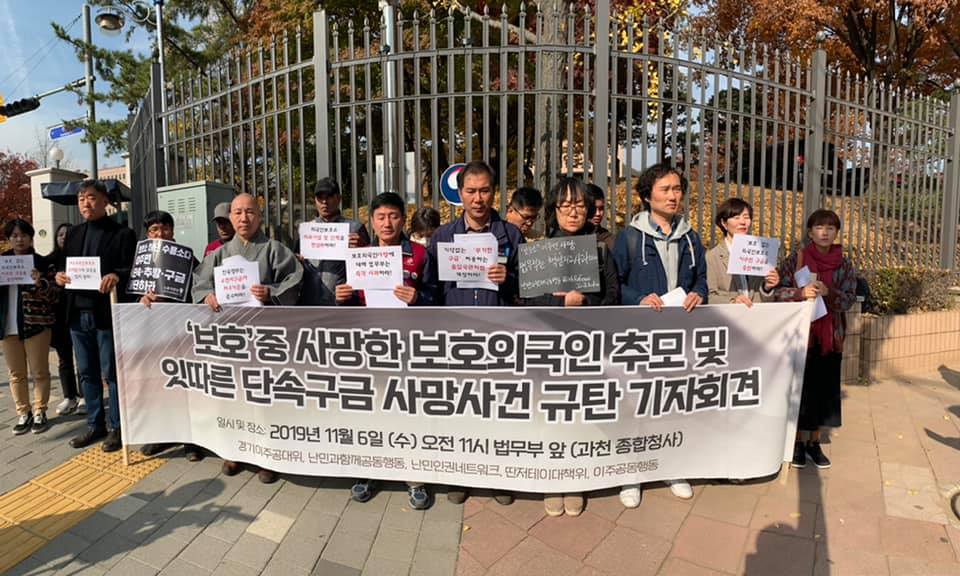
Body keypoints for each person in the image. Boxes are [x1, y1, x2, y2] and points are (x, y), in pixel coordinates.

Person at [423, 160, 523, 506]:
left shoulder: (511, 235)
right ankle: (462, 474)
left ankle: (497, 475)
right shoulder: (442, 237)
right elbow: (431, 289)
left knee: (497, 407)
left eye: (484, 191)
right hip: (457, 336)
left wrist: (508, 279)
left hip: (499, 336)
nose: (478, 199)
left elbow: (528, 289)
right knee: (461, 407)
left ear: (494, 193)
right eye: (471, 191)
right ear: (460, 194)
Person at [522, 178, 619, 517]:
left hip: (586, 347)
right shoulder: (539, 251)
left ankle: (576, 478)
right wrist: (558, 301)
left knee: (580, 414)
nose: (573, 212)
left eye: (579, 205)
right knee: (551, 414)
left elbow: (613, 297)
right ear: (554, 210)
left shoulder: (600, 250)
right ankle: (553, 478)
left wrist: (585, 302)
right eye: (566, 206)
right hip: (549, 347)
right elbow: (525, 301)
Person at [611, 163, 707, 507]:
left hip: (677, 336)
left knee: (671, 402)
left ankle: (671, 466)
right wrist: (638, 298)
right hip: (639, 334)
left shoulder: (691, 237)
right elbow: (615, 284)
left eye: (677, 189)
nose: (673, 196)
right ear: (647, 195)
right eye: (665, 189)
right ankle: (632, 474)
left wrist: (699, 294)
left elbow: (701, 278)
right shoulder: (629, 237)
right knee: (637, 403)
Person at [192, 193, 304, 483]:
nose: (244, 218)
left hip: (265, 338)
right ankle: (235, 450)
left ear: (259, 215)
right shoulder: (219, 253)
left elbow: (294, 281)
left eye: (250, 212)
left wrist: (271, 292)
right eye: (238, 212)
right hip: (232, 338)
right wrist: (207, 295)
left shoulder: (274, 249)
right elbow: (200, 281)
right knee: (234, 395)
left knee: (265, 397)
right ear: (230, 217)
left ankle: (267, 455)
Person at [337, 192, 434, 509]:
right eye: (381, 217)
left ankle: (414, 477)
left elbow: (438, 298)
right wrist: (342, 297)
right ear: (372, 221)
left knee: (408, 412)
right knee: (371, 411)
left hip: (409, 348)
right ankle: (369, 471)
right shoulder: (360, 257)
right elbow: (352, 302)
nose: (387, 223)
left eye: (393, 216)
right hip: (370, 347)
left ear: (403, 219)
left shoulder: (419, 254)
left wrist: (418, 299)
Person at [55, 179, 137, 452]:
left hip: (106, 313)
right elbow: (61, 266)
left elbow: (132, 269)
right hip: (77, 314)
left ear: (105, 201)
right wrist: (59, 276)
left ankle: (118, 426)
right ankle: (94, 424)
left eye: (91, 197)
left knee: (112, 372)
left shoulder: (122, 233)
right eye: (81, 199)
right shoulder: (74, 234)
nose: (85, 203)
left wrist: (117, 275)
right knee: (87, 373)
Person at [776, 209, 858, 469]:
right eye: (819, 227)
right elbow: (778, 292)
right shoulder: (797, 259)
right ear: (810, 232)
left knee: (824, 390)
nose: (825, 232)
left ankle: (814, 442)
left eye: (830, 228)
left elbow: (848, 299)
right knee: (801, 389)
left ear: (837, 233)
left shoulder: (844, 264)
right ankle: (797, 443)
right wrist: (800, 293)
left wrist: (828, 291)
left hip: (831, 336)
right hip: (801, 337)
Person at [136, 210, 204, 462]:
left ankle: (190, 440)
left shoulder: (187, 258)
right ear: (147, 234)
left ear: (172, 231)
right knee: (158, 384)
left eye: (165, 228)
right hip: (153, 333)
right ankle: (163, 434)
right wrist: (141, 298)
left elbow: (199, 289)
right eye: (154, 230)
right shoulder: (141, 259)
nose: (160, 234)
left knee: (184, 384)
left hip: (181, 330)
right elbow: (131, 291)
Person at [1, 220, 59, 435]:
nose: (19, 239)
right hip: (7, 326)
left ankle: (40, 411)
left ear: (30, 238)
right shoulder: (2, 262)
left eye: (24, 235)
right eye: (14, 235)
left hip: (36, 324)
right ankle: (23, 412)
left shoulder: (42, 263)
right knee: (16, 373)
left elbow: (55, 296)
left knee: (40, 371)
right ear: (9, 239)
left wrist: (40, 283)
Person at [297, 178, 370, 306]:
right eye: (320, 198)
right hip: (309, 301)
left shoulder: (354, 228)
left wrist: (362, 247)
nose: (324, 202)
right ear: (315, 200)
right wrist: (297, 260)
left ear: (339, 198)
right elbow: (295, 263)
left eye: (329, 197)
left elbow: (367, 264)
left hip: (343, 303)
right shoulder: (306, 229)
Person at [706, 198, 779, 306]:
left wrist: (767, 287)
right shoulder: (713, 256)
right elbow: (709, 296)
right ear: (724, 223)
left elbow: (764, 297)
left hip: (756, 313)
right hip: (729, 314)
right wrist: (732, 301)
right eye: (736, 217)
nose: (743, 222)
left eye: (746, 217)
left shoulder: (759, 252)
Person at [47, 222, 83, 417]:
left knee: (83, 358)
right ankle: (69, 396)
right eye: (60, 234)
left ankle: (84, 396)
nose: (64, 237)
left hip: (77, 314)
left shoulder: (81, 259)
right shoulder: (48, 261)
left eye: (68, 234)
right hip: (58, 318)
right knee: (64, 359)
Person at [585, 183, 615, 250]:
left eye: (601, 208)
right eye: (593, 208)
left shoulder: (610, 241)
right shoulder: (569, 239)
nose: (598, 213)